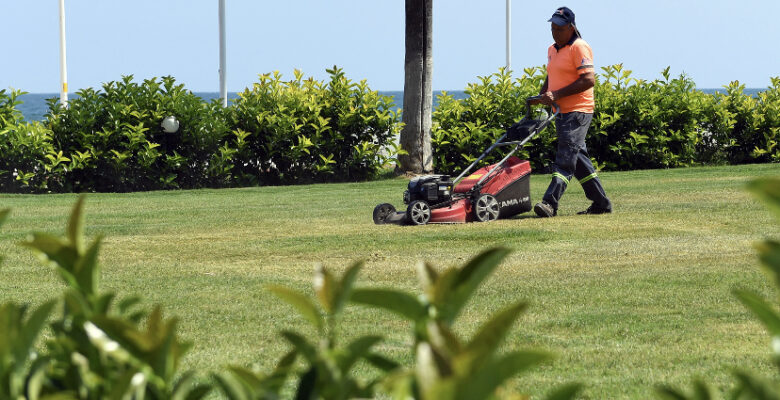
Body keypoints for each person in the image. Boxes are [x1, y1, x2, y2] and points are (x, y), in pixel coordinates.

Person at [530, 6, 612, 217]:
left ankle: (549, 203)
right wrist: (542, 96)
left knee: (565, 158)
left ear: (571, 27)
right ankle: (601, 203)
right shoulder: (552, 49)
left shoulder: (580, 47)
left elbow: (588, 80)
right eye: (552, 27)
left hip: (578, 111)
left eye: (559, 28)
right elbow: (551, 76)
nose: (554, 31)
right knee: (580, 161)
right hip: (561, 112)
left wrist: (556, 95)